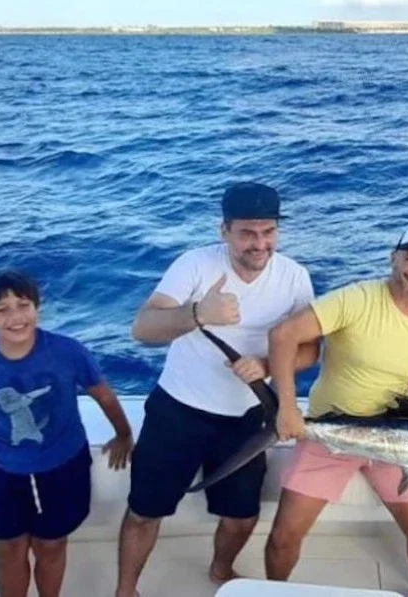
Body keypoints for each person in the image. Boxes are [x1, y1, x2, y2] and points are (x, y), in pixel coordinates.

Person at [115, 182, 318, 597]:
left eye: (268, 231)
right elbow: (143, 328)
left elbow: (311, 349)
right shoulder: (194, 264)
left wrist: (266, 365)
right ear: (224, 230)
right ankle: (125, 590)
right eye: (247, 233)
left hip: (248, 418)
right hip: (178, 411)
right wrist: (198, 313)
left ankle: (221, 570)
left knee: (242, 518)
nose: (259, 243)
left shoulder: (295, 276)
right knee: (143, 513)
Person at [266, 224, 408, 597]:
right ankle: (275, 592)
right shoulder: (356, 299)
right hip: (330, 434)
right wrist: (286, 407)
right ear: (393, 259)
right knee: (283, 537)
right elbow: (283, 335)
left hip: (394, 444)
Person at [0, 270, 134, 597]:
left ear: (36, 307)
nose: (16, 317)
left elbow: (104, 395)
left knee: (51, 546)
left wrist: (123, 434)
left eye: (23, 305)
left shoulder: (69, 351)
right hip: (1, 468)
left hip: (63, 465)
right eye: (1, 310)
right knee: (7, 549)